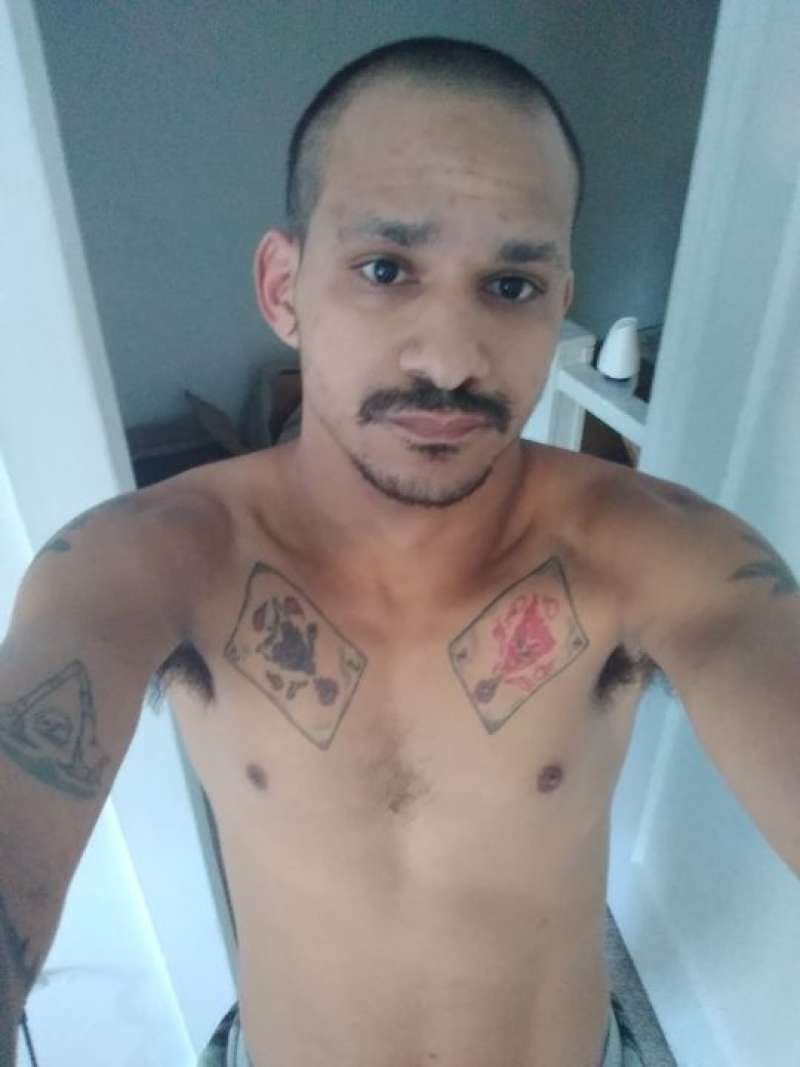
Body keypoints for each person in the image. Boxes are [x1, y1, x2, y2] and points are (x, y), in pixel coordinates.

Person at [2, 34, 799, 1067]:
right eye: (385, 269)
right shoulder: (151, 561)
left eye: (509, 285)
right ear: (283, 286)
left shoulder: (655, 552)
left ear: (560, 301)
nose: (450, 359)